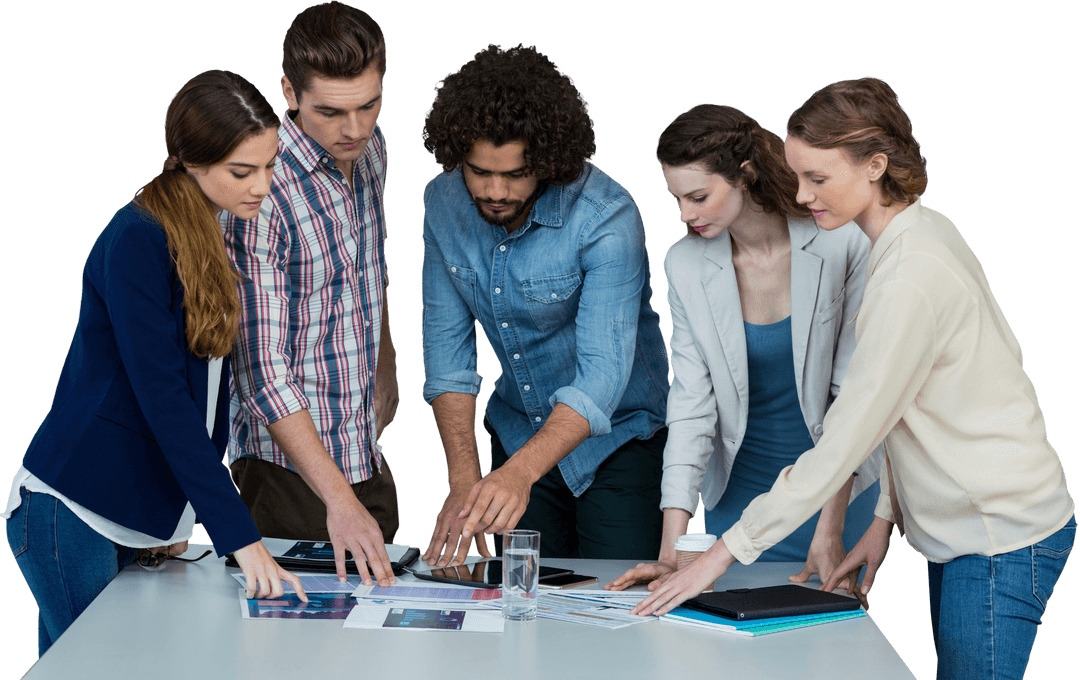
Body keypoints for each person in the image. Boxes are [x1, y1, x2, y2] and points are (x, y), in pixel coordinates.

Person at [632, 77, 1075, 680]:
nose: (801, 194)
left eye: (817, 178)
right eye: (798, 176)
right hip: (967, 530)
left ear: (875, 166)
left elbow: (847, 435)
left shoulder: (907, 277)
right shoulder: (919, 233)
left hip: (999, 532)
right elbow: (905, 407)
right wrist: (887, 516)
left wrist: (719, 556)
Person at [2, 70, 307, 658]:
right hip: (74, 511)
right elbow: (163, 399)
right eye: (242, 172)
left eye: (271, 166)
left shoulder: (207, 228)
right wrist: (242, 539)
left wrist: (175, 521)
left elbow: (205, 396)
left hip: (124, 514)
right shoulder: (138, 237)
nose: (262, 186)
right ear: (191, 162)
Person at [607, 104, 882, 593]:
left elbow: (854, 396)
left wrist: (829, 527)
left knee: (832, 633)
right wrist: (671, 553)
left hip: (836, 490)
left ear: (746, 175)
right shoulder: (685, 264)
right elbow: (691, 407)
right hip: (738, 497)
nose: (685, 215)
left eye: (698, 197)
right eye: (676, 200)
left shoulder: (841, 243)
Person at [420, 44, 669, 564]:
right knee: (523, 598)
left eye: (515, 175)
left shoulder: (607, 218)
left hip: (619, 442)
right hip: (516, 429)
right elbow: (447, 355)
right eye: (478, 171)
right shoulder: (443, 203)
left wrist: (518, 474)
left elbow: (602, 375)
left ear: (549, 162)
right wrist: (465, 481)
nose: (494, 191)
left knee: (613, 600)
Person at [222, 1, 399, 587]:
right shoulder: (259, 193)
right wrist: (338, 500)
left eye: (368, 105)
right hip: (285, 480)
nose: (354, 129)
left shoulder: (371, 152)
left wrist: (386, 361)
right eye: (330, 111)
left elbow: (369, 265)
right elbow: (259, 371)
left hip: (365, 452)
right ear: (289, 93)